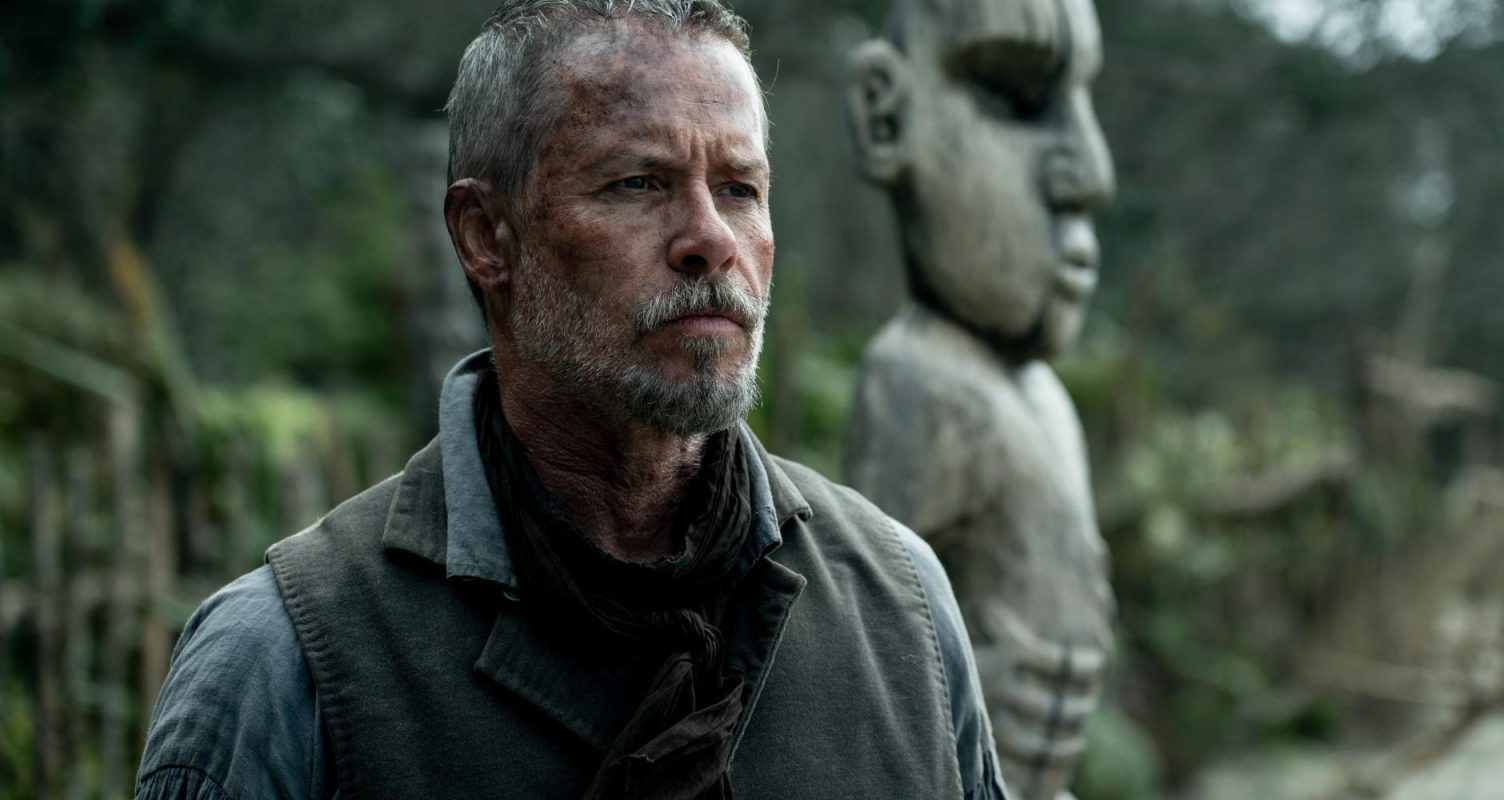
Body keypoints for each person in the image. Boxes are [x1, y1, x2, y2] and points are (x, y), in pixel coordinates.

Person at [135, 1, 1009, 798]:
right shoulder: (288, 661)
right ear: (487, 237)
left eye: (739, 189)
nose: (710, 238)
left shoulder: (902, 610)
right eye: (637, 183)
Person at [841, 0, 1118, 798]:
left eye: (1084, 100)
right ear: (886, 115)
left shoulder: (1047, 400)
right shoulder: (910, 380)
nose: (1091, 174)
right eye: (1015, 98)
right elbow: (863, 682)